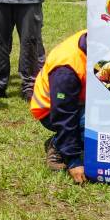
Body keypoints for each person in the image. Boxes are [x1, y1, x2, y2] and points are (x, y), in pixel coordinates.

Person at [29, 30, 88, 184]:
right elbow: (63, 113)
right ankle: (58, 145)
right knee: (95, 124)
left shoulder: (95, 37)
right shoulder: (67, 67)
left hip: (81, 99)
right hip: (52, 111)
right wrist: (73, 160)